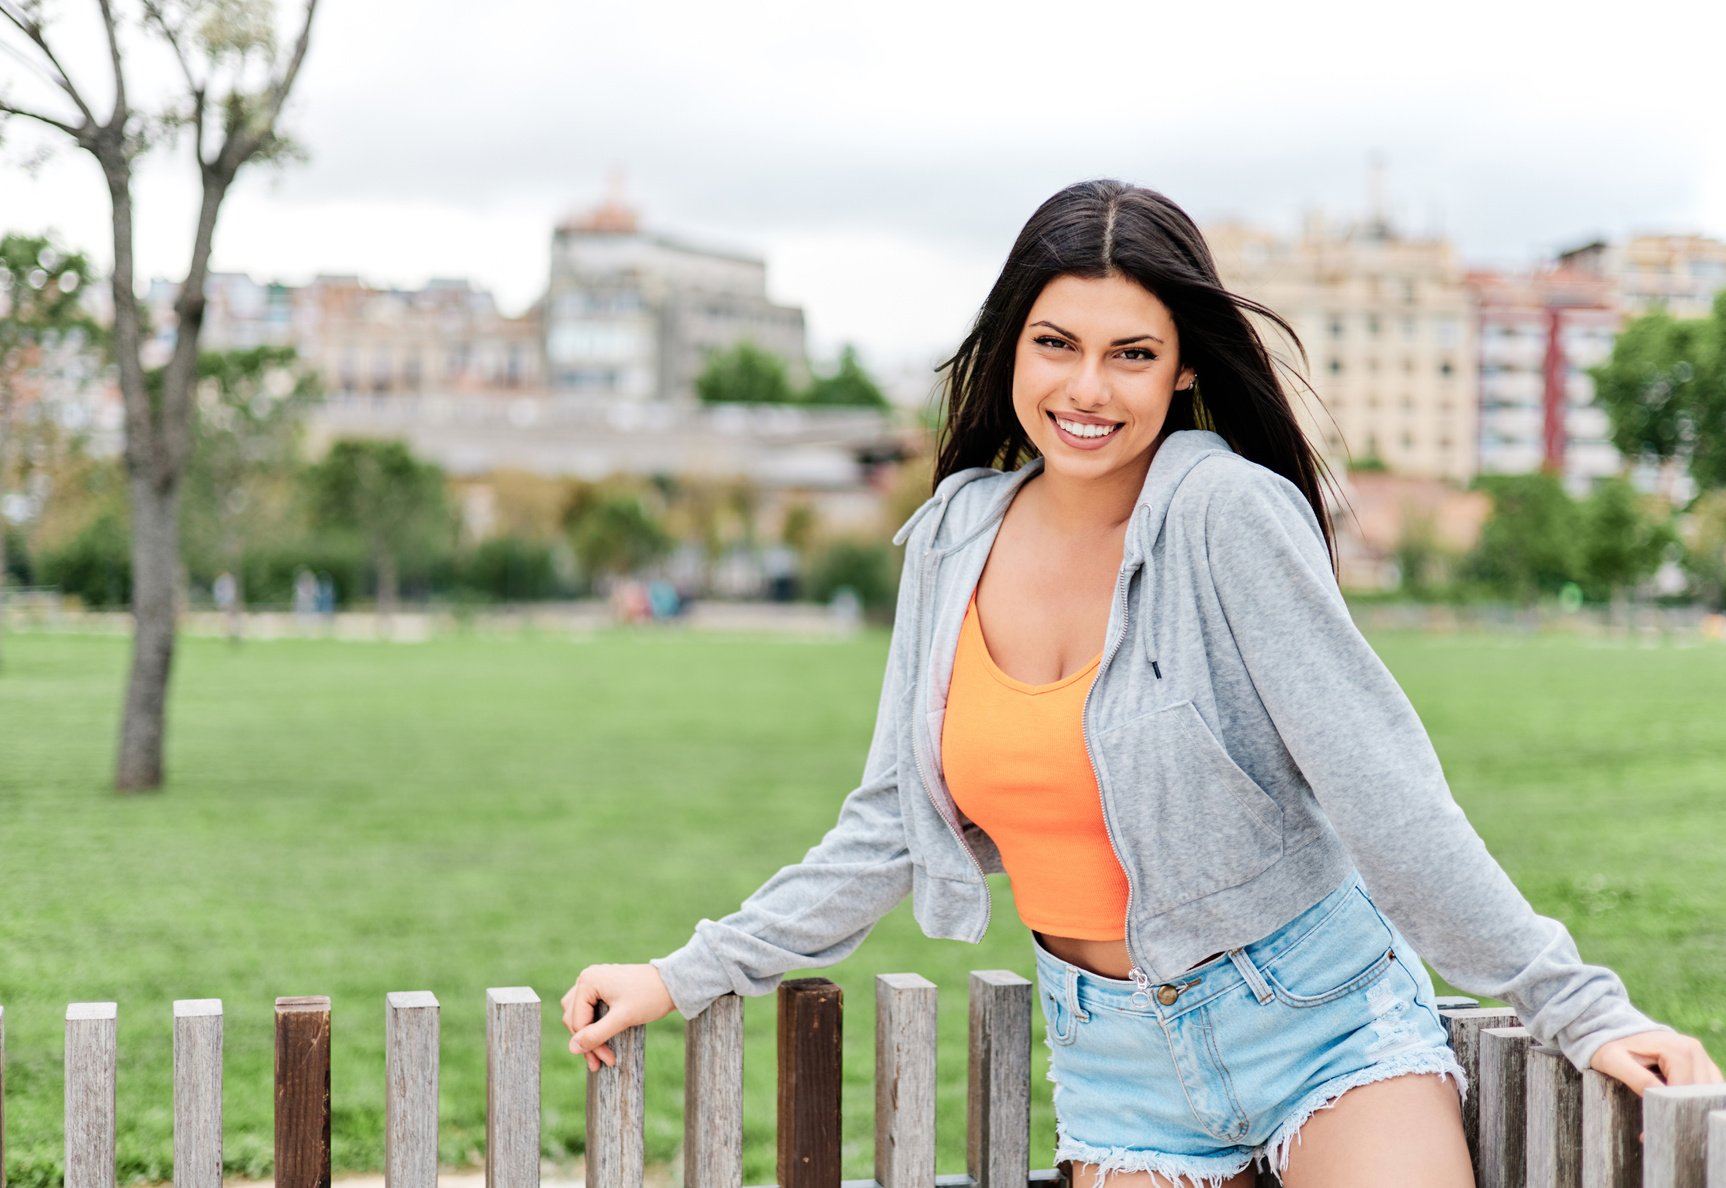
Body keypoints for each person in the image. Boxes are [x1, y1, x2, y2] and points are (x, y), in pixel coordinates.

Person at [561, 180, 1721, 1187]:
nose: (1089, 389)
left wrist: (1578, 1005)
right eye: (1057, 343)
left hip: (1315, 1018)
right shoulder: (952, 539)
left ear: (1179, 374)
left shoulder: (1225, 515)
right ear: (1010, 347)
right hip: (1115, 1058)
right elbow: (886, 829)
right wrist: (684, 971)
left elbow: (1385, 793)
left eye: (1133, 354)